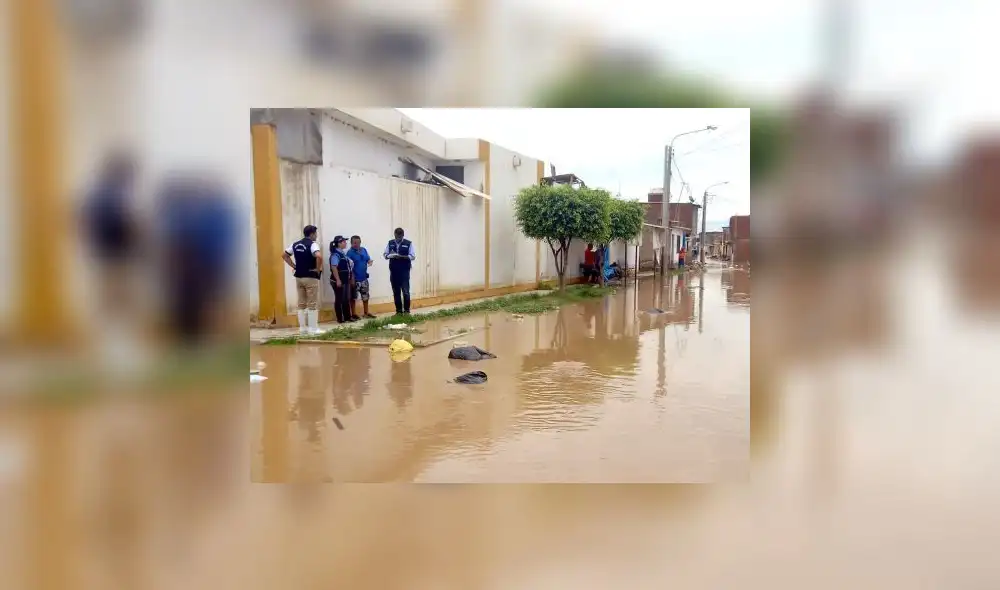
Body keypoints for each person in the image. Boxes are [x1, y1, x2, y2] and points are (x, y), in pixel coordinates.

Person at [283, 224, 325, 334]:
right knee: (312, 303)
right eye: (315, 233)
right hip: (310, 276)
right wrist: (317, 269)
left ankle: (302, 328)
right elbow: (319, 256)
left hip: (299, 277)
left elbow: (284, 255)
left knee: (301, 303)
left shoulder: (295, 244)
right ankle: (313, 329)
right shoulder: (313, 244)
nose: (316, 236)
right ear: (312, 234)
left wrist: (294, 266)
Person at [383, 227, 415, 315]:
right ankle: (399, 311)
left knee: (406, 292)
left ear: (403, 235)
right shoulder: (390, 243)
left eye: (400, 237)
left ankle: (407, 311)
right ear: (394, 235)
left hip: (404, 271)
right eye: (396, 236)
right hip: (394, 272)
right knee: (396, 292)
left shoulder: (408, 243)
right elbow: (385, 254)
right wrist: (390, 256)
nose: (398, 238)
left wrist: (402, 257)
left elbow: (412, 256)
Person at [346, 235, 375, 319]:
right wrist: (351, 278)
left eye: (358, 242)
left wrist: (370, 262)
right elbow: (348, 267)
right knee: (353, 297)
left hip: (364, 278)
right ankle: (353, 314)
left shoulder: (364, 250)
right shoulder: (349, 253)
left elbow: (368, 259)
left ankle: (366, 313)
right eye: (355, 243)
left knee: (365, 296)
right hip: (355, 279)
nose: (357, 244)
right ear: (351, 243)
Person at [329, 235, 355, 324]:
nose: (345, 243)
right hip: (339, 280)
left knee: (346, 299)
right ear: (339, 244)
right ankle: (340, 318)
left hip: (345, 279)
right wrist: (338, 280)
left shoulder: (342, 253)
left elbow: (349, 265)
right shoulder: (335, 254)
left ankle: (347, 317)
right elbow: (334, 267)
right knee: (339, 299)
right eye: (344, 242)